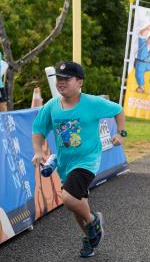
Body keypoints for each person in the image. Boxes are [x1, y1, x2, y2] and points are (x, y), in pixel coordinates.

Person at [31, 61, 126, 258]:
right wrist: (38, 151)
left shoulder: (92, 103)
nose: (61, 83)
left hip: (87, 161)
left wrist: (121, 133)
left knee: (68, 198)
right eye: (59, 79)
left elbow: (118, 110)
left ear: (80, 82)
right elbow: (38, 129)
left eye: (66, 79)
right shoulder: (51, 106)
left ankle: (93, 221)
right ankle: (91, 238)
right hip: (66, 163)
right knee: (77, 205)